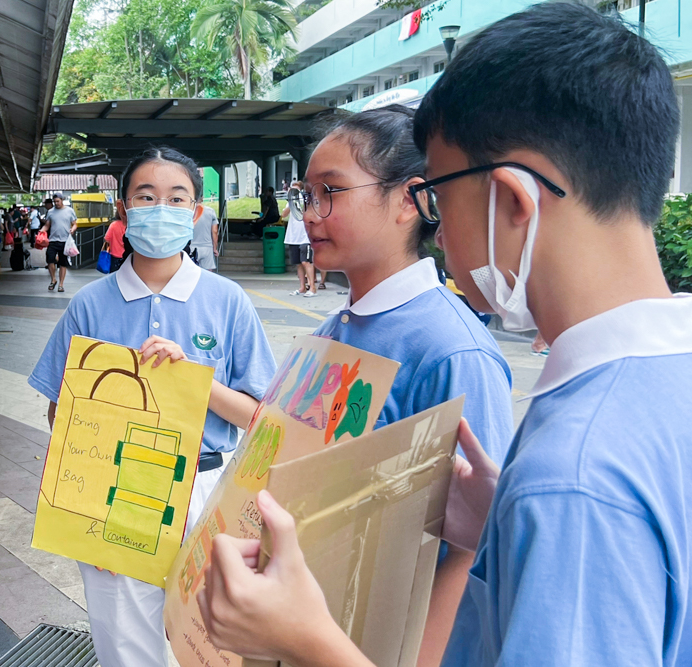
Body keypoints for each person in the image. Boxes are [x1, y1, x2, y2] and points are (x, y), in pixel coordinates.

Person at [198, 5, 692, 667]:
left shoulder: (572, 474)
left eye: (441, 192)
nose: (436, 224)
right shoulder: (652, 386)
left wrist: (306, 640)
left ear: (512, 200)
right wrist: (503, 521)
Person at [29, 147, 277, 667]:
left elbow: (261, 419)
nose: (160, 207)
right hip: (116, 488)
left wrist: (192, 380)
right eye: (146, 196)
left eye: (176, 197)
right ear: (124, 209)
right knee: (127, 644)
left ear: (195, 211)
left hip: (210, 488)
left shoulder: (228, 300)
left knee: (216, 642)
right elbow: (60, 416)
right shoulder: (91, 304)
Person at [294, 105, 513, 663]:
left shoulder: (451, 350)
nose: (310, 215)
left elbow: (476, 551)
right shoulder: (333, 328)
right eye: (306, 195)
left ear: (409, 199)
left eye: (330, 192)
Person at [283, 180, 316, 296]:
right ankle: (302, 287)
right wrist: (290, 202)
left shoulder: (306, 200)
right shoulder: (291, 201)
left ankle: (312, 287)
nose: (294, 191)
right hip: (293, 236)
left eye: (296, 189)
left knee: (306, 261)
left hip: (305, 237)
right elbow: (283, 214)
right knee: (298, 263)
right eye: (293, 189)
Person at [40, 193, 77, 292]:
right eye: (54, 202)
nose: (56, 203)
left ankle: (61, 284)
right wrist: (42, 231)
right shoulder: (51, 212)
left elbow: (74, 224)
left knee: (62, 263)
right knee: (50, 260)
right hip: (52, 240)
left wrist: (72, 229)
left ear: (62, 200)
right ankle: (53, 279)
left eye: (58, 201)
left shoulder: (69, 211)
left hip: (65, 241)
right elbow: (47, 225)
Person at [191, 204, 219, 271]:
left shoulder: (188, 210)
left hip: (191, 247)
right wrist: (214, 248)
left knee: (190, 272)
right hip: (207, 247)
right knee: (208, 274)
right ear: (202, 197)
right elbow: (215, 231)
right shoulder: (210, 211)